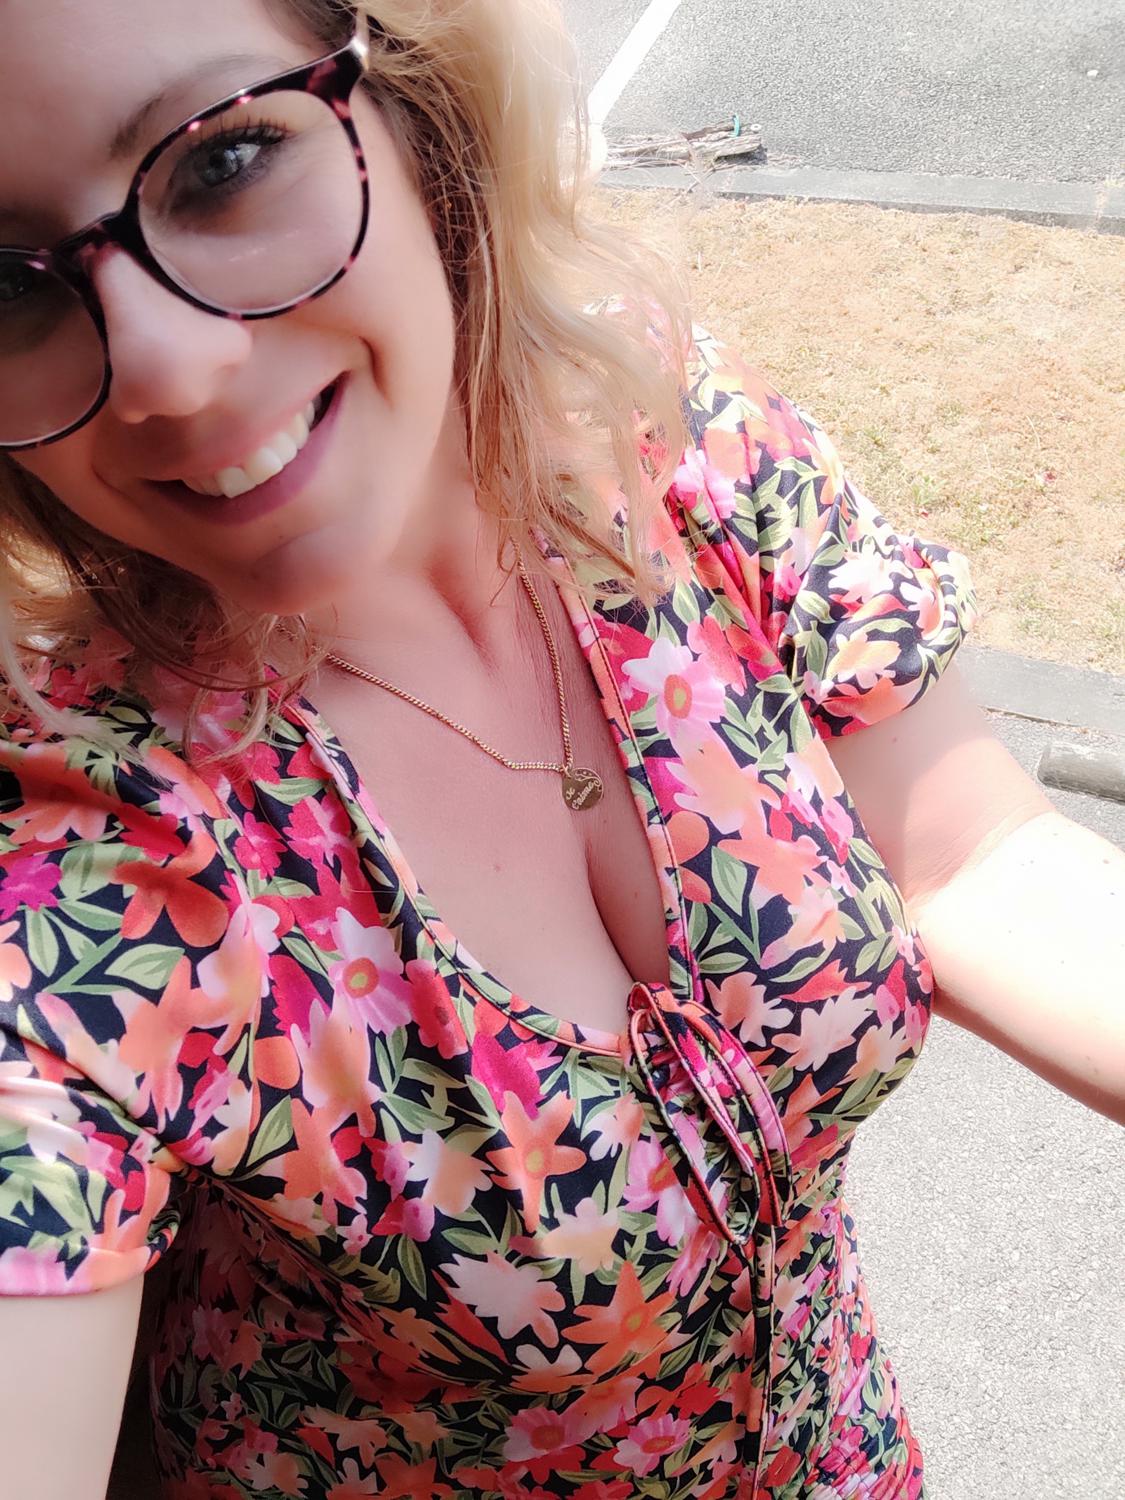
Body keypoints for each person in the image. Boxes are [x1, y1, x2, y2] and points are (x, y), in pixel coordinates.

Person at [0, 2, 1121, 1497]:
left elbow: (968, 858)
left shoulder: (645, 431)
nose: (168, 370)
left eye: (224, 163)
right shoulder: (91, 851)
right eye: (3, 286)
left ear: (412, 95)